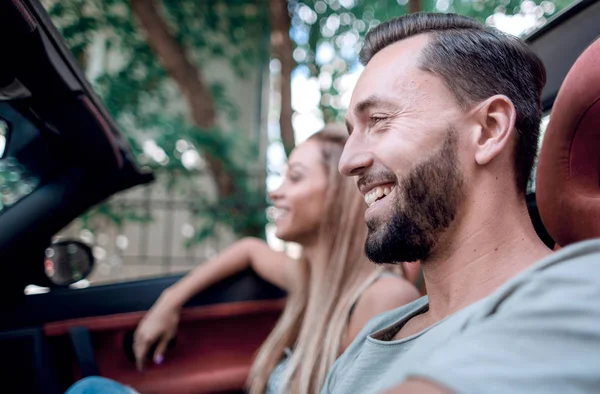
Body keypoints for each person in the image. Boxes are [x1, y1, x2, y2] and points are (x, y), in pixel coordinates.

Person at [321, 13, 600, 394]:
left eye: (380, 120)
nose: (347, 162)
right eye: (352, 133)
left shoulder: (584, 291)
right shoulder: (366, 342)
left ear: (488, 130)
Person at [66, 125, 420, 394]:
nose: (275, 191)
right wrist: (170, 300)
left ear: (338, 196)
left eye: (294, 177)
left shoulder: (382, 297)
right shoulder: (310, 278)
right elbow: (248, 250)